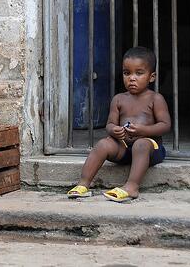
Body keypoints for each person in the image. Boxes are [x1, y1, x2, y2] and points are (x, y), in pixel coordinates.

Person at [67, 47, 171, 202]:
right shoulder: (119, 99)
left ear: (152, 77)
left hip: (149, 149)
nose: (132, 78)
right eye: (127, 73)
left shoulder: (155, 99)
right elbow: (110, 124)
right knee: (103, 144)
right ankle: (83, 184)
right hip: (124, 147)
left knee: (141, 144)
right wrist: (114, 131)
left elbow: (165, 125)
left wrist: (143, 130)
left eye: (139, 73)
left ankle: (132, 187)